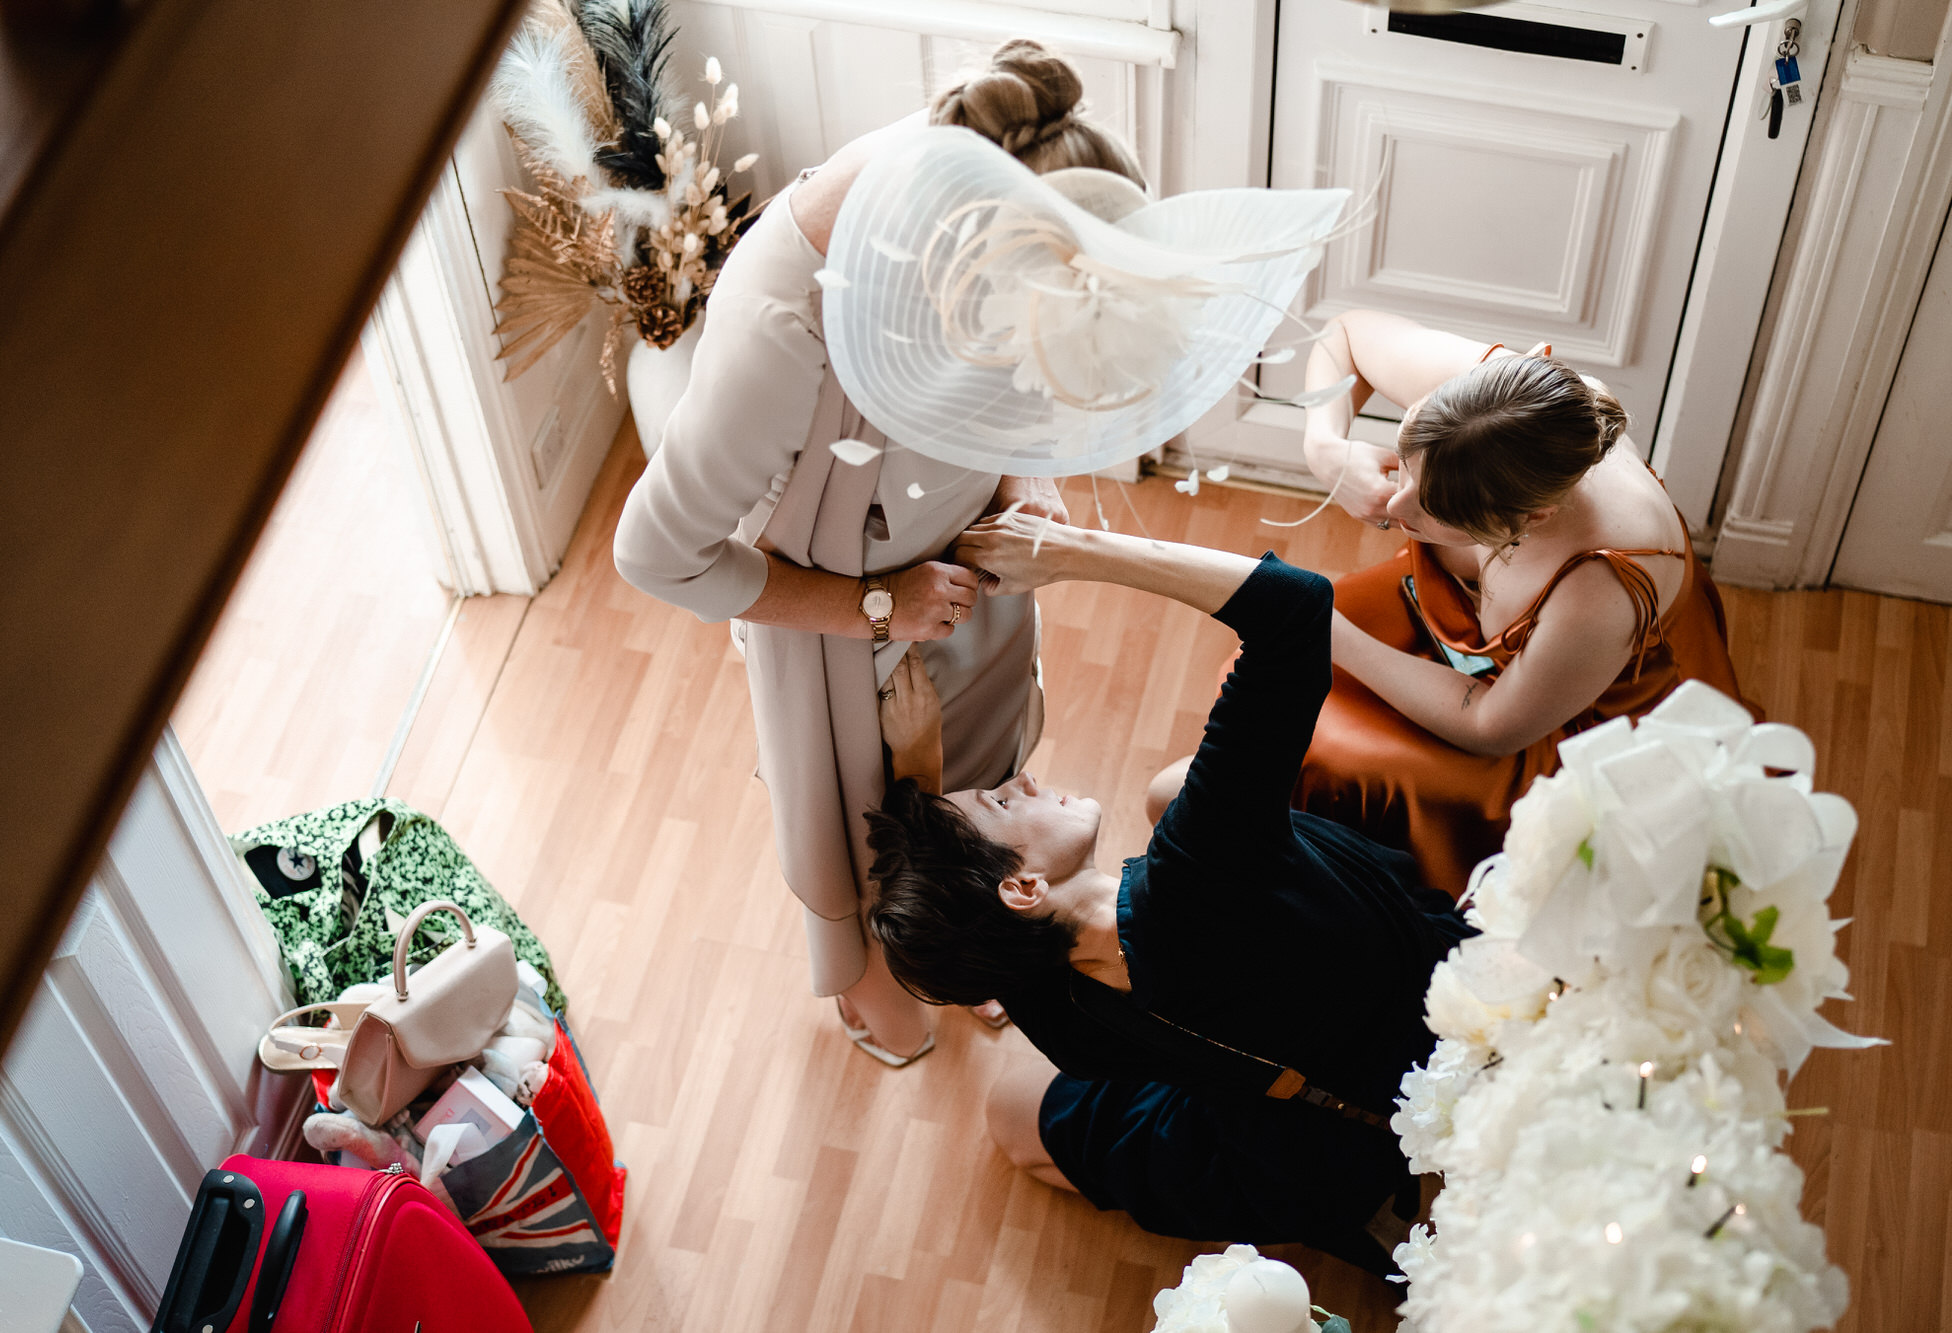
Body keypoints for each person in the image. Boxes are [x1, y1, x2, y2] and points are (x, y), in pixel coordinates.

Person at [611, 41, 1147, 1066]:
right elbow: (655, 554)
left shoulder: (985, 159)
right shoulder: (785, 327)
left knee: (974, 772)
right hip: (844, 608)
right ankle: (867, 969)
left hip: (956, 558)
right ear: (961, 274)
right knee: (864, 805)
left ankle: (960, 923)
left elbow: (1018, 364)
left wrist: (1016, 477)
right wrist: (878, 609)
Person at [865, 519, 1470, 1268]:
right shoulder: (1204, 858)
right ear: (1022, 887)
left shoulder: (1045, 992)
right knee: (1174, 788)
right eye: (998, 803)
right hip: (1433, 1000)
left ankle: (1356, 1207)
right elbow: (1297, 606)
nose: (1018, 780)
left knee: (1010, 1111)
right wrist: (1068, 549)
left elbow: (953, 926)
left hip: (1312, 1131)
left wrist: (919, 773)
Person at [1147, 309, 1748, 898]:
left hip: (1553, 724)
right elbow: (1347, 333)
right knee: (1273, 696)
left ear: (1531, 518)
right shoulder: (1493, 405)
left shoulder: (1600, 589)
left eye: (1430, 508)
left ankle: (1319, 884)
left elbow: (1490, 727)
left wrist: (1324, 627)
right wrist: (1326, 446)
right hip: (1448, 616)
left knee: (1315, 749)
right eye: (1404, 467)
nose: (1396, 510)